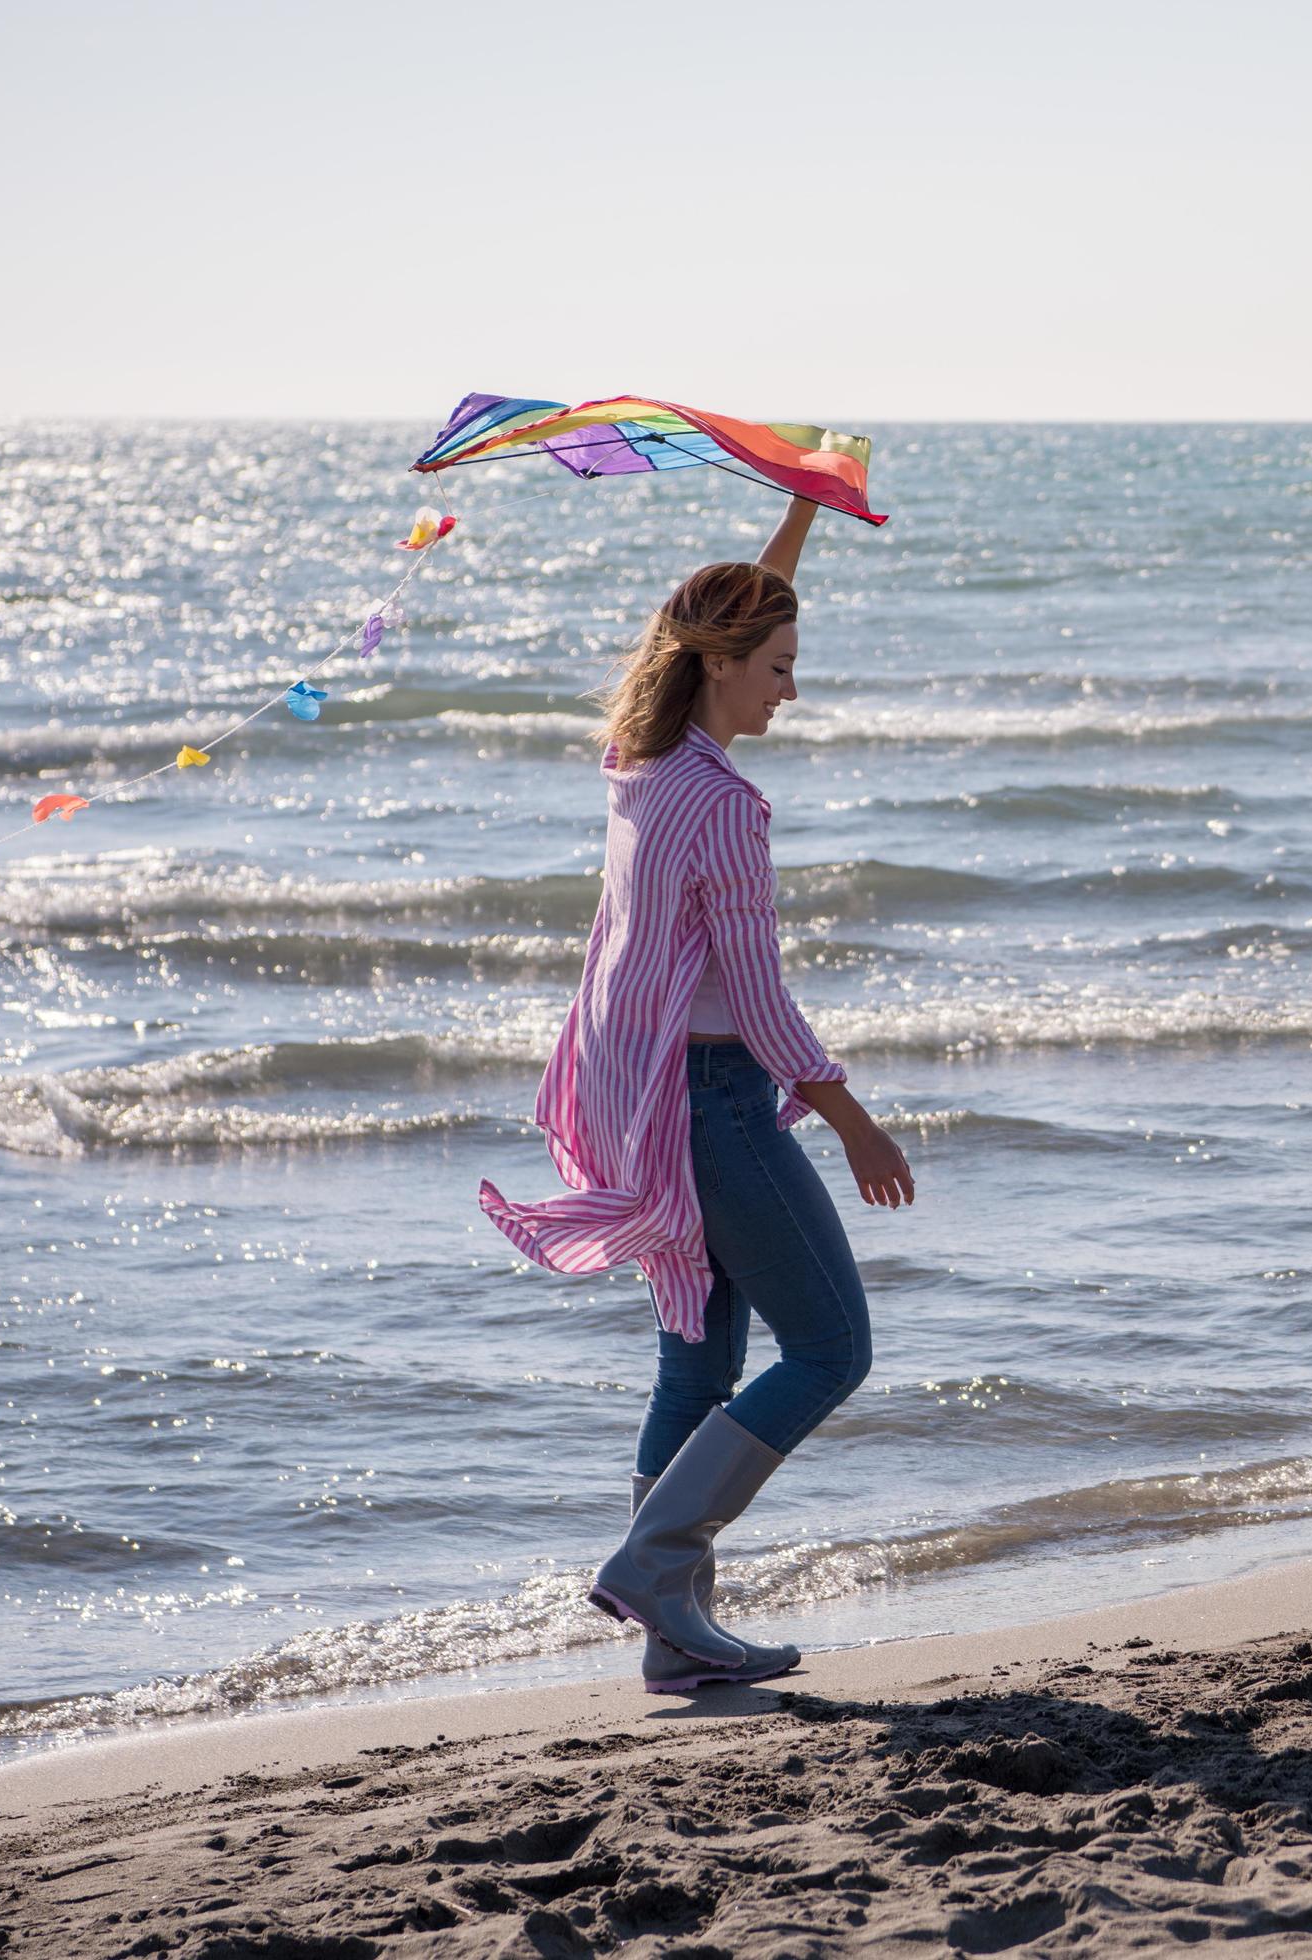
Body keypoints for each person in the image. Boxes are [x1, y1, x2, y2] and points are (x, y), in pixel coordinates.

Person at [478, 497, 915, 1693]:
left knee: (699, 1362)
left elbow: (706, 620)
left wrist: (797, 515)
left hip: (648, 1097)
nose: (792, 691)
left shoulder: (641, 758)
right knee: (830, 1345)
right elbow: (767, 1009)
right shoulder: (722, 804)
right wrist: (854, 1118)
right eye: (778, 668)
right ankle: (659, 1563)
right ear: (719, 665)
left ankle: (675, 1634)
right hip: (713, 1099)